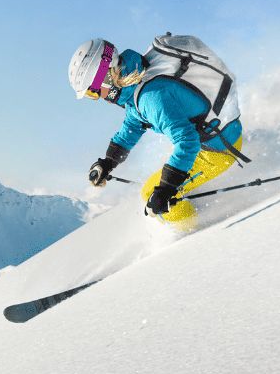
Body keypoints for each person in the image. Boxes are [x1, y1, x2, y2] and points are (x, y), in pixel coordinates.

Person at [67, 36, 247, 231]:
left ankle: (197, 234)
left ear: (105, 78)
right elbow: (133, 125)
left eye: (93, 92)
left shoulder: (150, 98)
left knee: (150, 195)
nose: (97, 98)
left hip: (218, 151)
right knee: (155, 189)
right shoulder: (138, 78)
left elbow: (187, 141)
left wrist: (166, 188)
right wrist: (108, 162)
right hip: (220, 136)